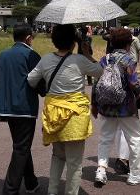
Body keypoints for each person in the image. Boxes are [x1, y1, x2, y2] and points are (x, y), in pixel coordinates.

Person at [27, 24, 103, 195]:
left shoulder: (45, 59)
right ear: (73, 42)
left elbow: (31, 80)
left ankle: (52, 191)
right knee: (74, 162)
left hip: (53, 114)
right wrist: (87, 53)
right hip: (75, 116)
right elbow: (100, 71)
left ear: (54, 41)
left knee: (57, 156)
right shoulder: (80, 60)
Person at [91, 28, 140, 187]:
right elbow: (134, 83)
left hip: (106, 106)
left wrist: (94, 104)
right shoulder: (129, 60)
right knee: (135, 139)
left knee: (105, 139)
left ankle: (101, 170)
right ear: (129, 43)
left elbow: (97, 84)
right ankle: (135, 174)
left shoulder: (105, 59)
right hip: (125, 107)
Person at [0, 24, 41, 195]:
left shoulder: (2, 55)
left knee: (21, 145)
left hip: (6, 108)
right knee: (21, 147)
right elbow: (39, 81)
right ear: (28, 38)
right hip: (25, 108)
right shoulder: (31, 55)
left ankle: (31, 182)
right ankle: (10, 190)